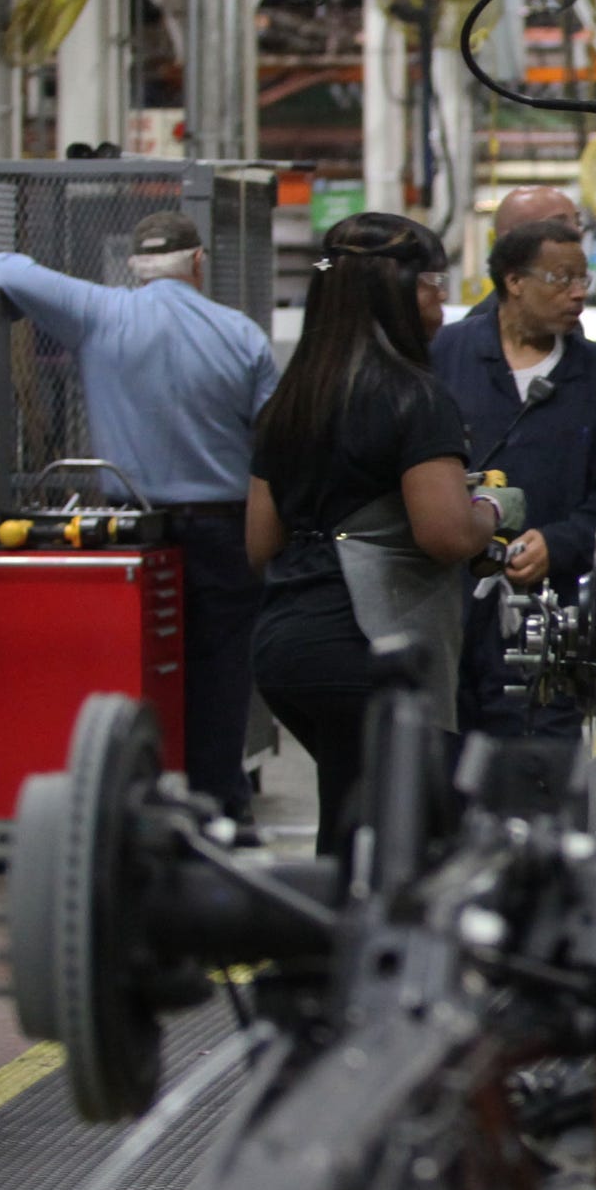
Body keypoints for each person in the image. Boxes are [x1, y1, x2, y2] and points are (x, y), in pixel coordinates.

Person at [0, 212, 277, 819]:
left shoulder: (100, 312)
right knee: (221, 677)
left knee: (134, 669)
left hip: (128, 536)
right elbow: (277, 442)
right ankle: (218, 807)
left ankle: (134, 806)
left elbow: (1, 268)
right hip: (225, 529)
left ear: (135, 267)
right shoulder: (241, 333)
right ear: (199, 263)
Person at [246, 213, 524, 858]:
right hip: (368, 648)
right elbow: (446, 535)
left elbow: (260, 541)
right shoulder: (414, 398)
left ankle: (337, 940)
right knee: (407, 836)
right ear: (398, 292)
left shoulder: (287, 402)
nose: (440, 303)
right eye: (433, 284)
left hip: (285, 650)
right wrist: (491, 508)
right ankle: (361, 951)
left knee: (356, 817)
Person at [432, 218, 596, 745]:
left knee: (541, 775)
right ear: (514, 281)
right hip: (447, 611)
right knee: (438, 778)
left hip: (550, 619)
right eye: (562, 278)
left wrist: (562, 542)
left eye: (584, 278)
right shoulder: (445, 358)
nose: (579, 292)